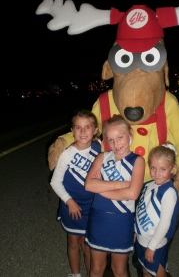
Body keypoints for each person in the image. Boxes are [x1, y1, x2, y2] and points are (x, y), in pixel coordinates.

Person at [84, 115, 145, 277]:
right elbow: (89, 185)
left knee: (120, 270)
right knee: (96, 268)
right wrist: (122, 185)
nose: (115, 144)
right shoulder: (102, 157)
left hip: (122, 221)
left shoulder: (138, 161)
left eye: (120, 138)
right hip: (99, 219)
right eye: (110, 140)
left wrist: (101, 188)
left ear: (130, 134)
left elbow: (133, 193)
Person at [50, 109, 101, 277]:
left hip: (92, 206)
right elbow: (55, 182)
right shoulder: (66, 155)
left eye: (87, 127)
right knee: (73, 242)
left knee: (87, 246)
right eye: (78, 127)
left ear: (95, 130)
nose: (83, 131)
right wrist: (69, 201)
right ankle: (75, 274)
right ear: (72, 131)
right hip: (71, 205)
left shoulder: (100, 148)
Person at [135, 143, 179, 277]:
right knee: (146, 270)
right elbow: (140, 209)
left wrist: (152, 246)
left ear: (173, 169)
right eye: (153, 168)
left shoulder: (169, 192)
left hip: (155, 243)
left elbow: (165, 223)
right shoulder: (149, 185)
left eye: (163, 169)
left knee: (158, 272)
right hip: (142, 239)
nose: (157, 173)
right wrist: (136, 231)